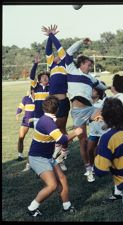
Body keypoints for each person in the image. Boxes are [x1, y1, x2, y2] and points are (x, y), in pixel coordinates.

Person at [27, 95, 83, 217]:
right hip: (38, 158)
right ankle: (32, 208)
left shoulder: (47, 120)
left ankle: (67, 206)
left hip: (47, 157)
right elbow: (62, 139)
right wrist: (75, 133)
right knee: (52, 185)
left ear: (44, 108)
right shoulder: (48, 122)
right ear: (57, 109)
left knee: (62, 179)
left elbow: (58, 138)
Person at [65, 37, 109, 181]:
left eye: (91, 65)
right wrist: (81, 42)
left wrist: (109, 88)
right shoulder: (71, 70)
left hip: (90, 110)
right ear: (81, 64)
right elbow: (69, 52)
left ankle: (112, 154)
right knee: (82, 141)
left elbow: (100, 86)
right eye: (88, 64)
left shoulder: (90, 78)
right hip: (78, 113)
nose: (90, 67)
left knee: (108, 120)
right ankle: (88, 169)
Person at [41, 25, 70, 171]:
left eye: (59, 54)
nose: (56, 55)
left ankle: (62, 154)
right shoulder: (51, 64)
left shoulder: (67, 64)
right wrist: (48, 38)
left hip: (63, 102)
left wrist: (53, 35)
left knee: (61, 129)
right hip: (51, 101)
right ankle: (57, 157)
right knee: (52, 129)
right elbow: (48, 51)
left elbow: (59, 49)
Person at [85, 86, 108, 182]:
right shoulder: (88, 103)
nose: (91, 91)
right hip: (93, 131)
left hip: (103, 132)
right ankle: (91, 167)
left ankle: (97, 168)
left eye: (94, 91)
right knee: (89, 150)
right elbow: (87, 118)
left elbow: (106, 114)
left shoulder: (103, 102)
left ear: (98, 94)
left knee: (98, 151)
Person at [30, 54, 50, 128]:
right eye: (43, 77)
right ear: (39, 80)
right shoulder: (36, 86)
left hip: (48, 114)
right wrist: (35, 64)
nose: (45, 78)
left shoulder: (51, 87)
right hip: (38, 114)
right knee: (38, 132)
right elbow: (32, 76)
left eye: (46, 77)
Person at [16, 87, 35, 161]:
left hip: (37, 121)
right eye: (34, 91)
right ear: (32, 91)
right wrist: (18, 113)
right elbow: (20, 107)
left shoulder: (40, 99)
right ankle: (20, 155)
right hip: (26, 121)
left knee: (40, 138)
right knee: (21, 137)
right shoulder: (26, 98)